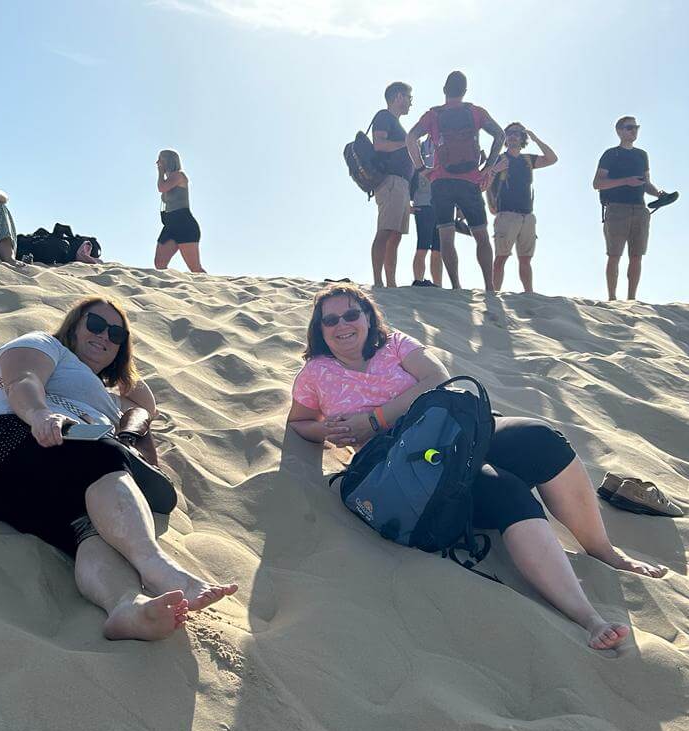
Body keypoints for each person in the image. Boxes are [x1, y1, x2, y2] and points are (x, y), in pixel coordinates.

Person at [286, 284, 667, 650]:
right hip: (407, 464)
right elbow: (299, 423)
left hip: (455, 430)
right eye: (330, 320)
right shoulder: (316, 373)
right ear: (320, 329)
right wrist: (330, 429)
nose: (342, 325)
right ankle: (588, 617)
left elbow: (437, 378)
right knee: (505, 490)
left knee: (541, 438)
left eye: (351, 315)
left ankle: (603, 550)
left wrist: (374, 418)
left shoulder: (396, 344)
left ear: (368, 317)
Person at [0, 296, 237, 640]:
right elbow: (22, 378)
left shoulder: (105, 398)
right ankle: (157, 567)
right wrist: (39, 414)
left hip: (9, 493)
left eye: (116, 334)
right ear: (73, 325)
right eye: (96, 325)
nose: (104, 336)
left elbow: (146, 405)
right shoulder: (47, 346)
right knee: (102, 452)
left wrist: (119, 365)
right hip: (1, 444)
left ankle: (125, 606)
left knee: (93, 530)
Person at [406, 71, 504, 292]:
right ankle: (489, 287)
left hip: (441, 182)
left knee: (446, 235)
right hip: (470, 181)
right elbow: (500, 135)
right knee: (481, 235)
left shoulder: (433, 115)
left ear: (444, 90)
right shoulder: (476, 112)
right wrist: (488, 167)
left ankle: (456, 285)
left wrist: (422, 169)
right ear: (465, 91)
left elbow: (410, 138)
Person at [593, 116, 668, 301]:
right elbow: (597, 183)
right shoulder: (611, 154)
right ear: (619, 131)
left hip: (640, 209)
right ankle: (612, 298)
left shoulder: (642, 155)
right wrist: (626, 181)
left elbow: (646, 183)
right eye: (629, 127)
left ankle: (631, 299)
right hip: (616, 208)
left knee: (637, 256)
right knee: (614, 255)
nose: (634, 131)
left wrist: (659, 194)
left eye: (636, 127)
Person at [486, 123, 558, 292]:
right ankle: (493, 293)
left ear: (522, 138)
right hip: (506, 214)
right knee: (501, 257)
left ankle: (529, 294)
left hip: (527, 215)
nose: (513, 136)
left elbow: (552, 159)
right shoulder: (499, 159)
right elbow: (485, 183)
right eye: (510, 133)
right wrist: (491, 203)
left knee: (526, 259)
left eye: (517, 133)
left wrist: (535, 139)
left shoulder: (527, 160)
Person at [370, 82, 415, 288]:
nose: (410, 103)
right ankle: (378, 282)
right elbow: (379, 144)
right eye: (409, 97)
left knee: (395, 234)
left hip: (402, 184)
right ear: (398, 97)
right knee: (385, 230)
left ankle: (391, 283)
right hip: (391, 181)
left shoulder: (396, 123)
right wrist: (407, 143)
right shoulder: (384, 116)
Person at [155, 150, 205, 273]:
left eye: (160, 160)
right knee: (159, 263)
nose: (157, 163)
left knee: (195, 268)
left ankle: (212, 285)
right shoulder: (168, 179)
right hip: (170, 225)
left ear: (168, 161)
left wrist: (160, 173)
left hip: (184, 224)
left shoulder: (179, 175)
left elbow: (161, 188)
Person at [410, 139, 441, 287]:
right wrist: (407, 204)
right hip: (423, 204)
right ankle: (418, 280)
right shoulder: (419, 146)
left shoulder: (448, 141)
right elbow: (409, 175)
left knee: (438, 249)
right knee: (422, 245)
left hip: (442, 204)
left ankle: (438, 285)